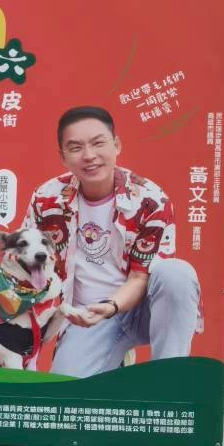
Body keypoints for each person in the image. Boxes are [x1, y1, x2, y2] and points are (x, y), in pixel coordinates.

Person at [22, 106, 202, 378]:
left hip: (142, 308)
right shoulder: (46, 200)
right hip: (88, 316)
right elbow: (28, 263)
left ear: (116, 145)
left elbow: (140, 277)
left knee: (177, 274)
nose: (89, 155)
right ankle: (111, 361)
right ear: (63, 157)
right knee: (67, 391)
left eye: (98, 143)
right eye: (76, 147)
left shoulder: (149, 200)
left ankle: (168, 378)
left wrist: (112, 305)